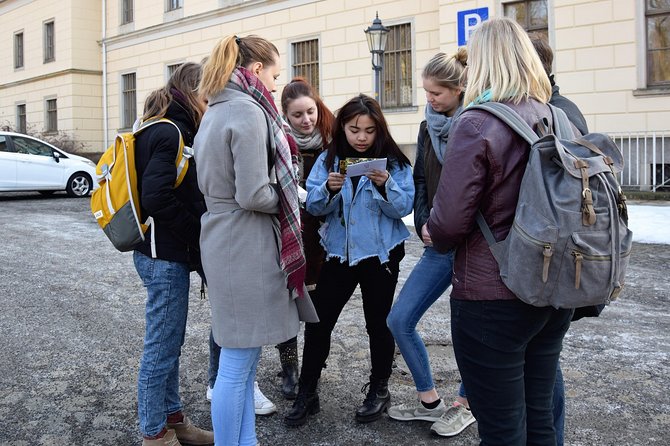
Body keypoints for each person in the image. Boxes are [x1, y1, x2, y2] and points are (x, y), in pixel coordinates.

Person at [426, 18, 574, 445]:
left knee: (502, 429)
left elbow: (450, 222)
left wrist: (433, 228)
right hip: (550, 288)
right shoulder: (552, 115)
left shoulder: (476, 123)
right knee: (540, 418)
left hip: (493, 295)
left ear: (483, 63)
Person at [194, 35, 317, 446]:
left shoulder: (217, 108)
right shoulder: (247, 112)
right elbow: (253, 194)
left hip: (226, 237)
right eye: (275, 77)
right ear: (256, 70)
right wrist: (291, 196)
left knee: (240, 360)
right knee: (237, 362)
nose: (275, 86)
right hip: (243, 242)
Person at [284, 94, 415, 427]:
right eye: (354, 129)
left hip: (379, 254)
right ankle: (307, 391)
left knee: (378, 324)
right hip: (338, 253)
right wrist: (327, 189)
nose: (361, 137)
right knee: (319, 323)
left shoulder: (395, 163)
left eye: (369, 131)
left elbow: (403, 209)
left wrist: (386, 187)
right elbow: (313, 206)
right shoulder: (330, 160)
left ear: (379, 130)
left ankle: (380, 389)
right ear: (342, 128)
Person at [385, 49, 476, 438]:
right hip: (438, 240)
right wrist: (424, 222)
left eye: (436, 94)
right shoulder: (427, 126)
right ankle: (430, 401)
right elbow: (422, 180)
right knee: (399, 320)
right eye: (426, 92)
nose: (429, 100)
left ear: (458, 90)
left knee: (470, 331)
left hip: (475, 246)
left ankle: (465, 404)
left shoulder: (476, 123)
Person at [132, 62, 214, 446]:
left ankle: (174, 421)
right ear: (193, 92)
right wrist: (199, 230)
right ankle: (154, 434)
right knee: (161, 347)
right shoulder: (171, 132)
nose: (211, 101)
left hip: (162, 252)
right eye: (208, 94)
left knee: (169, 343)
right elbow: (156, 197)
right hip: (162, 255)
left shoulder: (163, 125)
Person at [531, 33, 592, 446]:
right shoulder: (556, 106)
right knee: (541, 361)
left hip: (556, 253)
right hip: (551, 252)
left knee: (544, 364)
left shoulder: (558, 112)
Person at [275, 77, 335, 399]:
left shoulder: (330, 139)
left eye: (310, 111)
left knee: (319, 310)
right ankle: (289, 368)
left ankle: (312, 366)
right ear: (286, 114)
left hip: (322, 238)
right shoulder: (279, 142)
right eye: (297, 115)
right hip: (290, 234)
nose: (306, 120)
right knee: (287, 309)